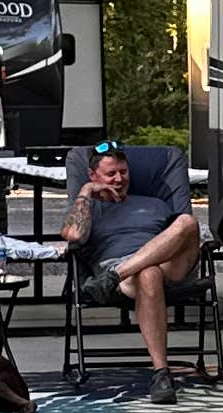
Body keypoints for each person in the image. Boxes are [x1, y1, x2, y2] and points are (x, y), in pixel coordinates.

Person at [58, 142, 204, 394]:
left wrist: (120, 274)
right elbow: (72, 235)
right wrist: (86, 191)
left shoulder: (154, 203)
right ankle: (161, 374)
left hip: (164, 268)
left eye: (123, 172)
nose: (118, 179)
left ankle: (116, 275)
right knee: (149, 273)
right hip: (131, 279)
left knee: (187, 221)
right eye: (110, 173)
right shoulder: (89, 209)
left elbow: (180, 236)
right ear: (93, 176)